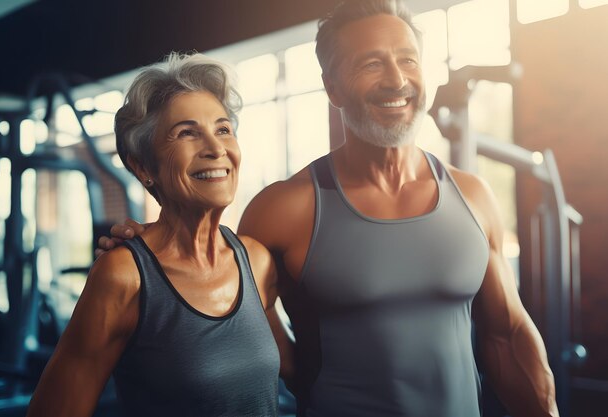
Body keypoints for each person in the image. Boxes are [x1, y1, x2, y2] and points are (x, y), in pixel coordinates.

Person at [100, 1, 559, 416]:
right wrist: (150, 253)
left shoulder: (474, 197)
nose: (397, 80)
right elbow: (219, 299)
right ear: (332, 87)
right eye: (372, 64)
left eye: (408, 60)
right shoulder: (285, 209)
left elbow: (507, 336)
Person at [27, 52, 293, 417]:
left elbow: (298, 372)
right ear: (142, 165)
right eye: (187, 133)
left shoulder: (256, 261)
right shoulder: (123, 276)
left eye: (222, 129)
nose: (216, 149)